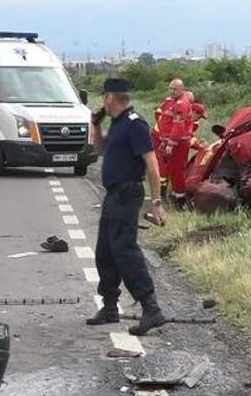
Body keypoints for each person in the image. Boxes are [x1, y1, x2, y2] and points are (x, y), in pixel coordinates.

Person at [86, 78, 168, 336]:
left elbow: (152, 165)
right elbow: (100, 150)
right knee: (105, 252)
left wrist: (156, 202)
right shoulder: (118, 124)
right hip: (112, 196)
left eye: (104, 97)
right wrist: (95, 126)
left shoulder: (135, 125)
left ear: (110, 97)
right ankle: (110, 307)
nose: (102, 102)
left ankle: (151, 308)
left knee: (125, 251)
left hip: (127, 194)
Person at [156, 79, 192, 208]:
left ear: (182, 89)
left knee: (177, 172)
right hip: (173, 142)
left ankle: (180, 202)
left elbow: (178, 127)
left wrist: (170, 144)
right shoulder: (173, 102)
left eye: (175, 89)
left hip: (179, 144)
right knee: (172, 170)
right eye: (170, 88)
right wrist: (165, 142)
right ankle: (176, 197)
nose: (172, 91)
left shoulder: (181, 104)